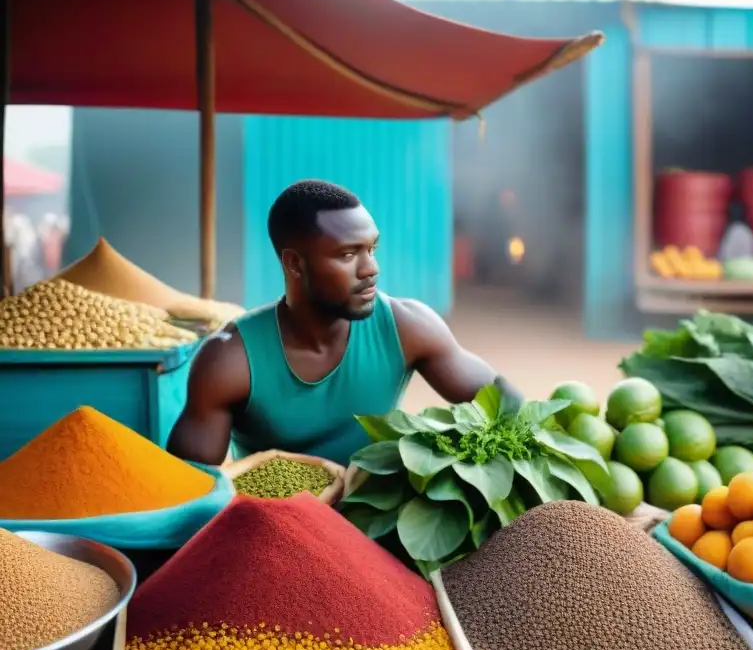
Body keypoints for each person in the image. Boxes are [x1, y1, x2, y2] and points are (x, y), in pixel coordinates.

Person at [167, 180, 517, 467]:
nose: (370, 269)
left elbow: (507, 406)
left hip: (377, 531)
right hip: (275, 532)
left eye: (372, 249)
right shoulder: (229, 360)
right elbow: (191, 489)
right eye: (348, 255)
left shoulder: (407, 327)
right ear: (294, 264)